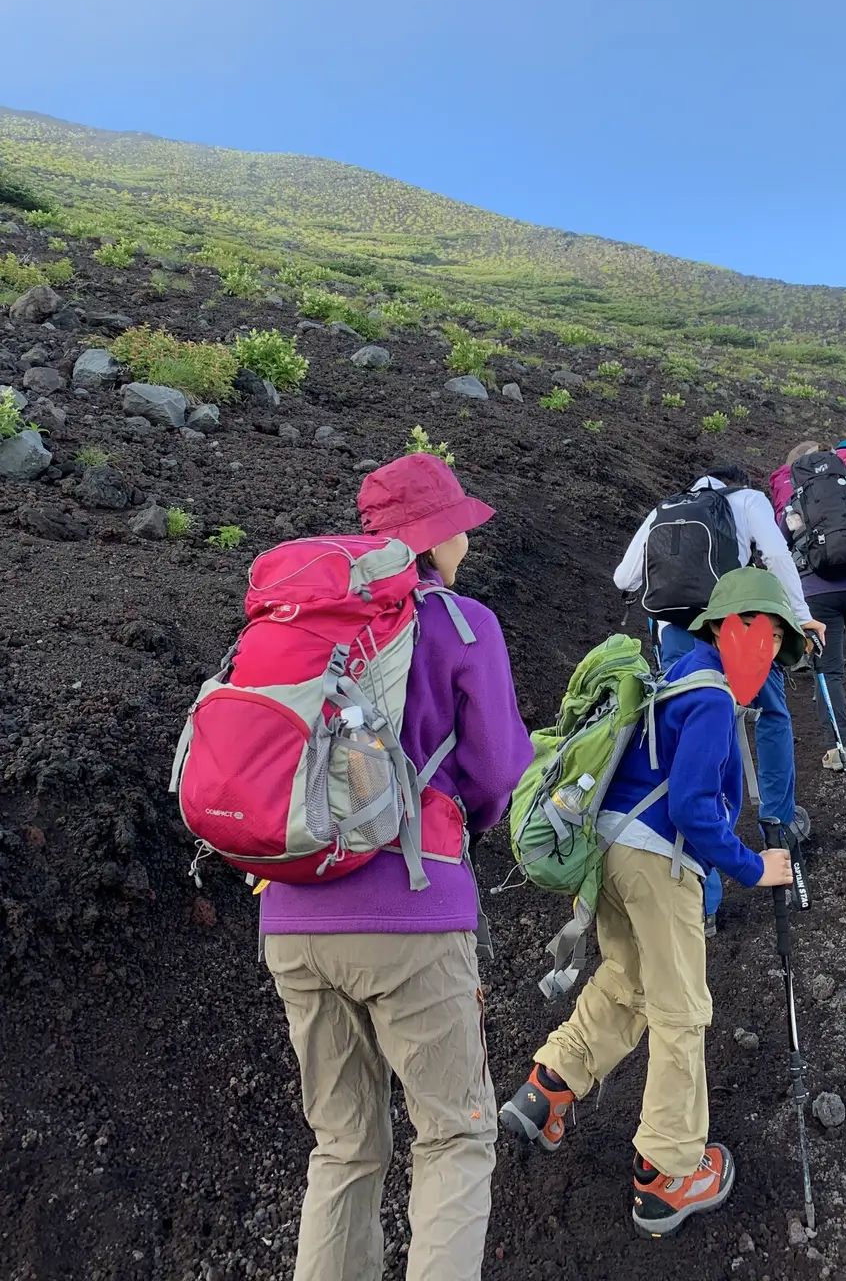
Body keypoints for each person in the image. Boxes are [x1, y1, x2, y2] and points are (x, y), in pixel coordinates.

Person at [260, 454, 534, 1281]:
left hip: (291, 915)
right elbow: (497, 771)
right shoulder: (461, 623)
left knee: (343, 1147)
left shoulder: (296, 625)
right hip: (410, 915)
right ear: (434, 533)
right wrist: (466, 835)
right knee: (453, 1136)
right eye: (459, 526)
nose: (467, 542)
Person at [501, 568, 807, 1238]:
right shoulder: (709, 698)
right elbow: (695, 808)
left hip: (609, 852)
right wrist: (754, 868)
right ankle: (668, 1175)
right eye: (766, 635)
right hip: (655, 861)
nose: (769, 654)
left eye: (777, 644)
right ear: (733, 628)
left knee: (628, 979)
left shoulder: (676, 677)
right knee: (680, 1009)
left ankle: (551, 1084)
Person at [613, 464, 824, 930]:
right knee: (770, 714)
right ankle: (778, 826)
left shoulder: (662, 511)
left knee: (693, 747)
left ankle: (701, 896)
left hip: (678, 638)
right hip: (740, 629)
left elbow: (623, 579)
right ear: (733, 480)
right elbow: (776, 557)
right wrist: (801, 618)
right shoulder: (747, 501)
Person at [777, 441, 846, 767]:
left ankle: (839, 749)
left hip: (818, 591)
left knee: (830, 668)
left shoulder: (795, 503)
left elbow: (781, 543)